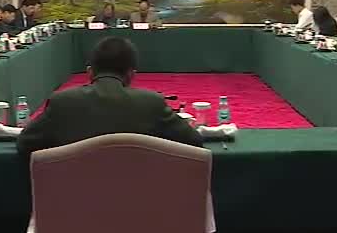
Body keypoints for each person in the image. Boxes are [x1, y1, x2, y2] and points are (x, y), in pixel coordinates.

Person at [17, 37, 203, 156]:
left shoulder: (62, 102)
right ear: (131, 74)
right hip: (141, 202)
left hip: (74, 201)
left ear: (90, 72)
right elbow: (193, 141)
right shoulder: (151, 103)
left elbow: (25, 144)